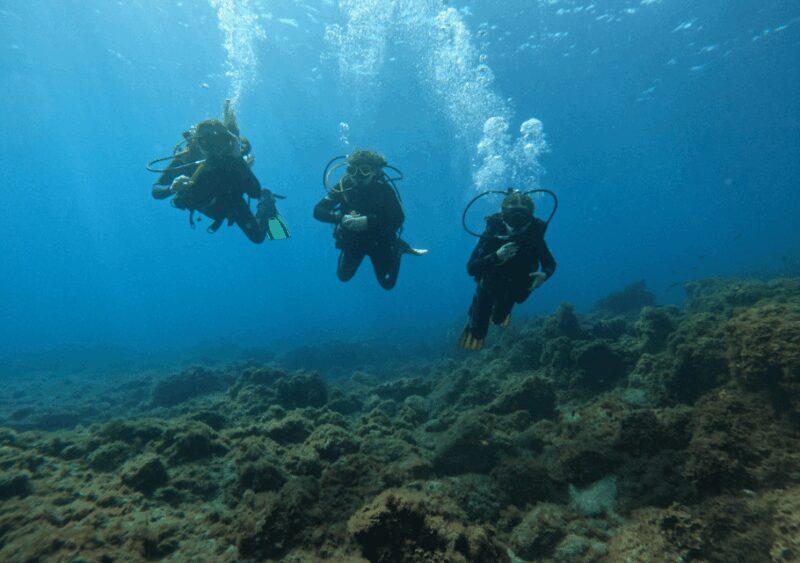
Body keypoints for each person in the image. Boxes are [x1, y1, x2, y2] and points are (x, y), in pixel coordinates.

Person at [149, 101, 289, 243]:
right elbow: (156, 190)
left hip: (230, 201)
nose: (211, 148)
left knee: (258, 237)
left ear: (224, 142)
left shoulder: (230, 159)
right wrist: (171, 188)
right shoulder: (186, 158)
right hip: (207, 205)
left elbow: (254, 193)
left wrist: (238, 159)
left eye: (216, 142)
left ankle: (267, 202)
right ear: (196, 142)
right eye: (205, 142)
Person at [313, 149, 427, 290]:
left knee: (387, 284)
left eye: (365, 170)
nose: (358, 176)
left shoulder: (384, 189)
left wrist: (370, 221)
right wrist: (340, 218)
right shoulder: (344, 186)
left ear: (375, 171)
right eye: (352, 170)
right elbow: (318, 211)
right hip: (353, 241)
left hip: (379, 241)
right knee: (343, 276)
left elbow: (399, 217)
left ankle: (398, 248)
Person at [459, 190, 556, 350]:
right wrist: (495, 257)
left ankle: (499, 314)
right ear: (503, 216)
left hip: (516, 288)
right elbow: (471, 268)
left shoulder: (534, 236)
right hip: (489, 286)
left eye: (522, 217)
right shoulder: (492, 234)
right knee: (478, 333)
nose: (517, 223)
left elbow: (550, 263)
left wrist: (544, 275)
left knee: (498, 319)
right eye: (512, 216)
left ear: (530, 218)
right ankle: (474, 316)